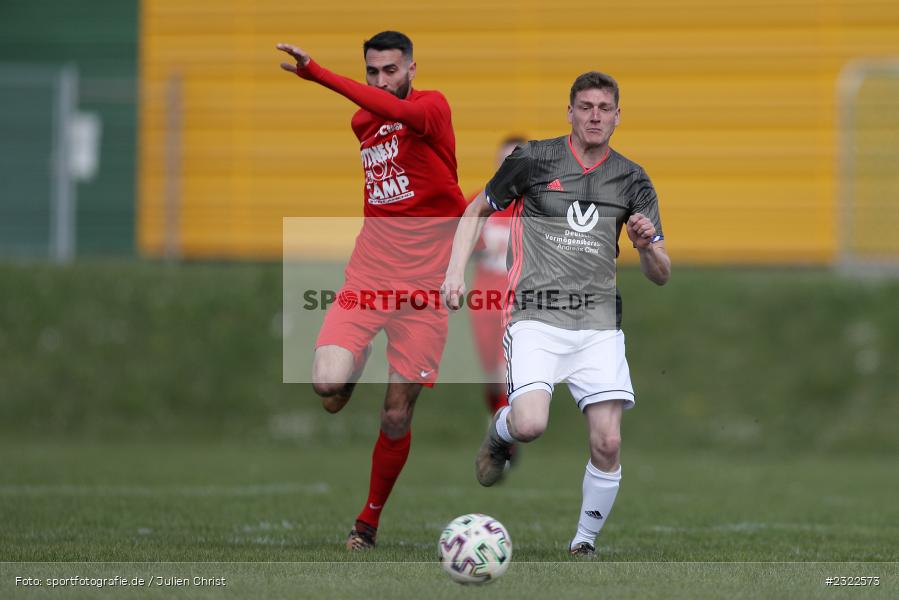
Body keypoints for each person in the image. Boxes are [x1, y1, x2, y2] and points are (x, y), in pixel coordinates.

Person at [441, 71, 671, 557]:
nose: (594, 115)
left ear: (617, 116)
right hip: (535, 317)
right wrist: (454, 274)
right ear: (569, 112)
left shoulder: (633, 179)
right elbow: (474, 210)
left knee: (607, 442)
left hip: (598, 324)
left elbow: (661, 273)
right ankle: (499, 433)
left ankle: (583, 543)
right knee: (530, 425)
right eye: (584, 106)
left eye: (603, 108)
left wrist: (647, 245)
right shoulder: (532, 160)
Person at [277, 31, 467, 550]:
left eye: (391, 70)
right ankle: (355, 364)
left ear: (411, 70)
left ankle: (367, 522)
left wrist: (318, 73)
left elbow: (395, 116)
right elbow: (377, 117)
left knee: (396, 414)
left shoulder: (432, 108)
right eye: (372, 72)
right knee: (327, 389)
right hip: (370, 278)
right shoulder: (362, 122)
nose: (381, 80)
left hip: (425, 291)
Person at [468, 136, 527, 418]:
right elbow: (454, 244)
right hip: (483, 301)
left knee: (507, 369)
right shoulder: (479, 203)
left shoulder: (535, 207)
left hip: (516, 304)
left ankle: (505, 438)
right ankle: (499, 421)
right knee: (492, 375)